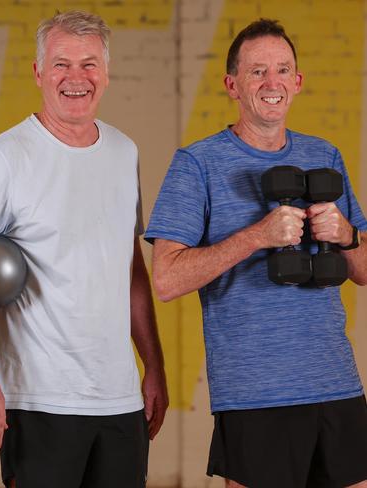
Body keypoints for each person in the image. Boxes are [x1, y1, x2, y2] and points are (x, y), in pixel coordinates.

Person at [0, 10, 168, 488]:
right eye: (61, 64)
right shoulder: (5, 156)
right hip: (38, 403)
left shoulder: (124, 152)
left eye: (89, 64)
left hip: (119, 401)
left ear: (106, 72)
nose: (75, 78)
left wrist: (153, 366)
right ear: (39, 73)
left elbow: (131, 271)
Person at [145, 18, 367, 488]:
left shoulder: (324, 155)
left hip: (335, 384)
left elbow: (363, 270)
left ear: (298, 82)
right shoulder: (197, 164)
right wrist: (255, 236)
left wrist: (347, 234)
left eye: (283, 70)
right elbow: (165, 280)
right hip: (254, 395)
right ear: (232, 85)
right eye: (257, 72)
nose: (272, 83)